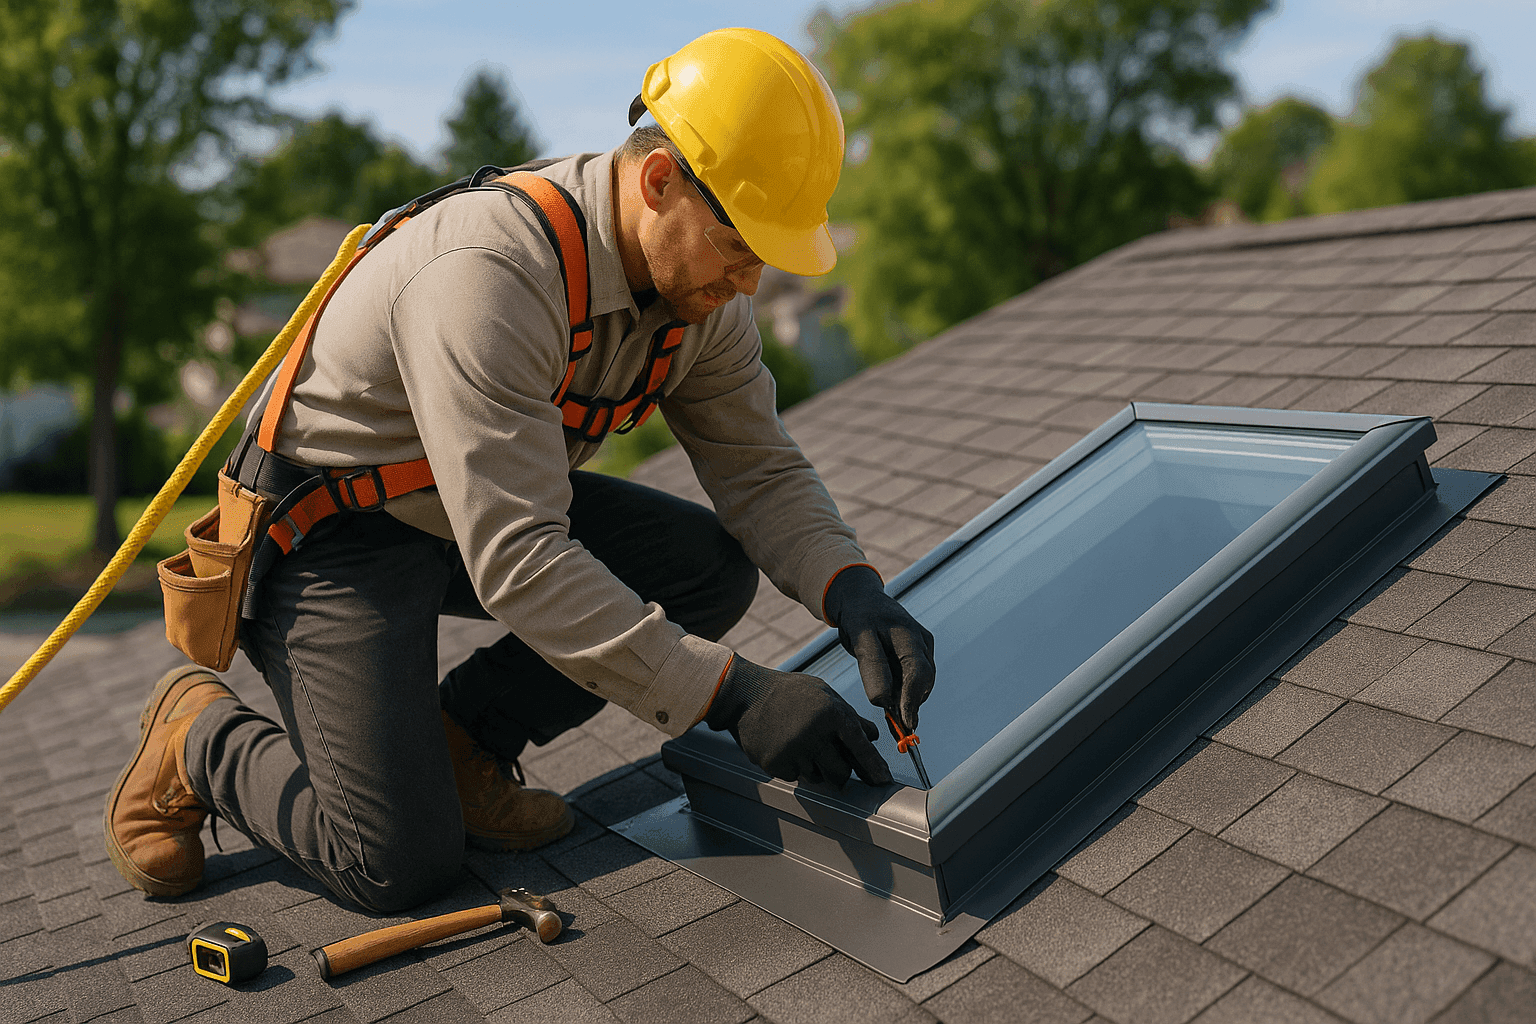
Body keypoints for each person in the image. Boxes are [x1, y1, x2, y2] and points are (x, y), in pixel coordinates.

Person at [104, 28, 936, 914]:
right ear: (659, 183)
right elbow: (521, 559)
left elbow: (759, 470)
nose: (753, 282)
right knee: (395, 863)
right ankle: (197, 736)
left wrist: (852, 588)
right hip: (334, 534)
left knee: (708, 566)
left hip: (472, 507)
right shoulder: (493, 272)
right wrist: (736, 696)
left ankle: (467, 744)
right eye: (743, 243)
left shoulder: (701, 299)